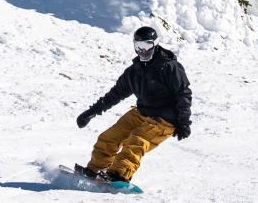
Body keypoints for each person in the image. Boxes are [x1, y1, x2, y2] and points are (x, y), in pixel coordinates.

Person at [73, 26, 193, 185]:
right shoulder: (134, 71)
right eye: (138, 47)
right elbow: (115, 94)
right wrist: (91, 112)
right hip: (142, 113)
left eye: (147, 46)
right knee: (109, 137)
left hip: (164, 119)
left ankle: (119, 175)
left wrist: (183, 122)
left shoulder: (169, 66)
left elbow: (183, 93)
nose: (143, 51)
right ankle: (95, 169)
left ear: (155, 45)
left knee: (136, 141)